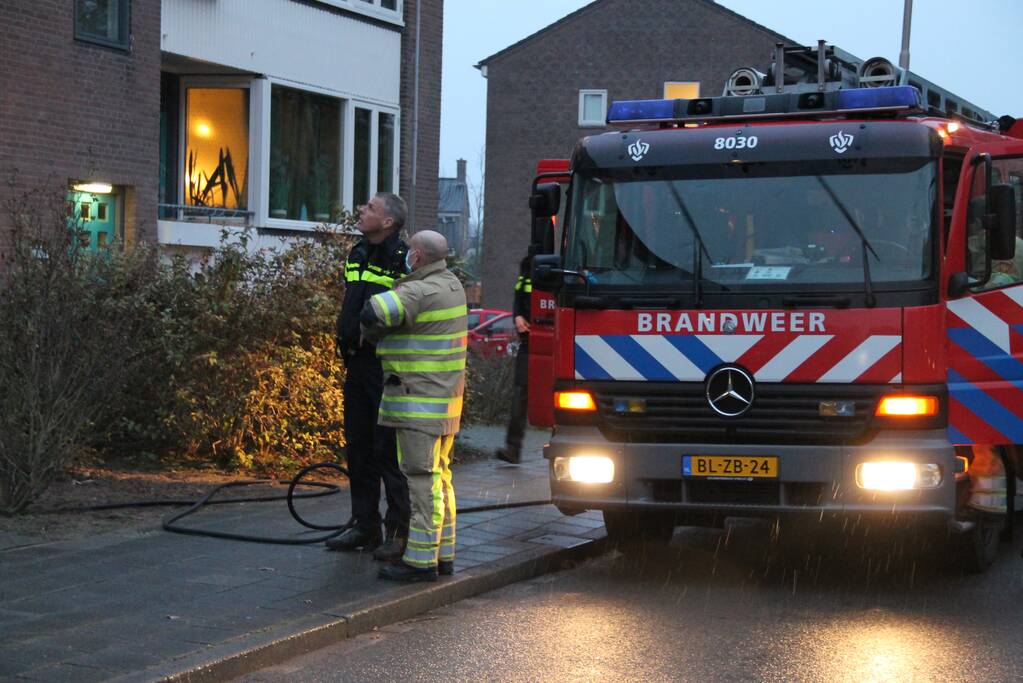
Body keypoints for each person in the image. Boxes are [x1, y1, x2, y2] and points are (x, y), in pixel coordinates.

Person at [360, 230, 468, 582]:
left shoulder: (420, 291)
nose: (405, 254)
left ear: (418, 256)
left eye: (409, 251)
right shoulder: (452, 285)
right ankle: (443, 555)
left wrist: (374, 332)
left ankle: (420, 562)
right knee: (441, 478)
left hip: (417, 403)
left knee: (421, 481)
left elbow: (373, 312)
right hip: (445, 404)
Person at [326, 193, 411, 561]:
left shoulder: (403, 259)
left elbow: (408, 309)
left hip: (385, 367)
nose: (362, 210)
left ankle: (399, 531)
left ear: (388, 222)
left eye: (371, 208)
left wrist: (373, 332)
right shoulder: (358, 252)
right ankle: (365, 525)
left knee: (387, 450)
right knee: (358, 446)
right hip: (356, 364)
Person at [495, 254, 532, 464]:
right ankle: (512, 449)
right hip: (529, 341)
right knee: (520, 394)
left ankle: (561, 446)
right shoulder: (529, 264)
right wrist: (517, 316)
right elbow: (519, 296)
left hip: (558, 339)